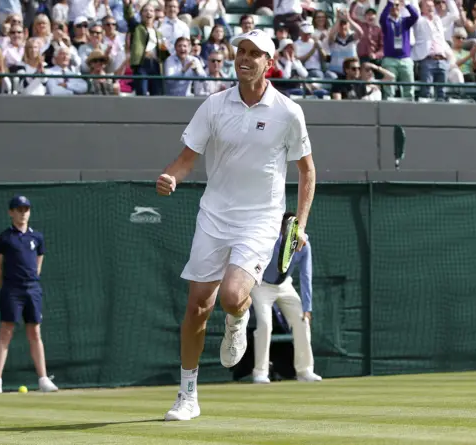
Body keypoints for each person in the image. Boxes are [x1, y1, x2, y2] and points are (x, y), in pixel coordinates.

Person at [156, 28, 316, 421]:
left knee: (231, 296)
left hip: (260, 220)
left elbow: (307, 172)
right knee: (197, 307)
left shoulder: (288, 112)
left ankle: (238, 318)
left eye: (253, 53)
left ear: (269, 62)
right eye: (240, 51)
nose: (243, 58)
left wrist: (300, 224)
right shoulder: (213, 105)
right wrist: (172, 176)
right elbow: (186, 157)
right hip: (214, 215)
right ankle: (187, 395)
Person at [0, 195, 59, 394]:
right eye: (18, 209)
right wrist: (8, 287)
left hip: (33, 289)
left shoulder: (37, 238)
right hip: (11, 289)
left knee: (35, 332)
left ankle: (43, 379)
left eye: (26, 209)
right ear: (11, 212)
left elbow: (38, 266)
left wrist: (31, 284)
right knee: (6, 331)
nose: (22, 213)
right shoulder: (3, 239)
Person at [250, 212, 321, 384]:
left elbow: (306, 276)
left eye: (295, 227)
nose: (292, 230)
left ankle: (305, 371)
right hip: (261, 285)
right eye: (288, 227)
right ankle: (260, 372)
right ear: (281, 228)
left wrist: (307, 307)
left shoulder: (305, 246)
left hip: (284, 285)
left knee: (302, 321)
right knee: (265, 324)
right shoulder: (268, 240)